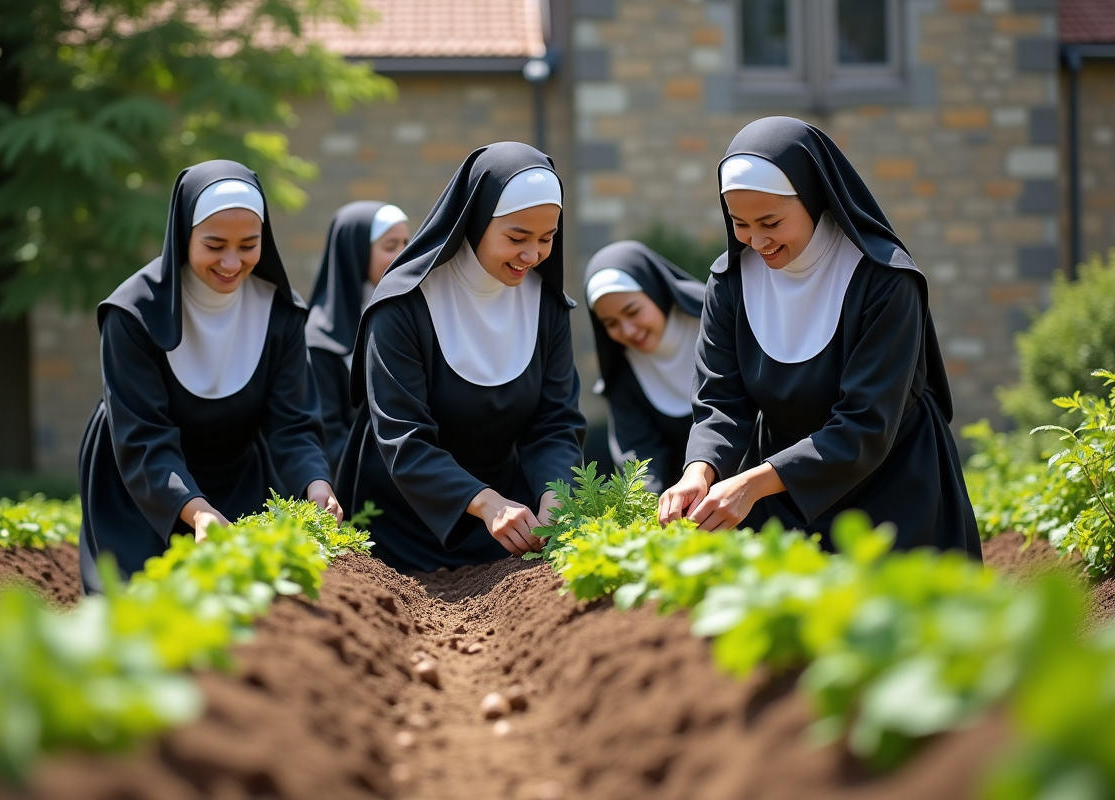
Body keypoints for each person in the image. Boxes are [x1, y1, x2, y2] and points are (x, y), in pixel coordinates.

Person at [659, 117, 981, 556]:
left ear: (814, 198)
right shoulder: (730, 281)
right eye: (739, 223)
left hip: (896, 489)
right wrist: (700, 469)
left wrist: (754, 482)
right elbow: (721, 398)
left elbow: (866, 424)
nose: (756, 241)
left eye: (770, 222)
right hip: (784, 497)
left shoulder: (885, 281)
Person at [77, 160, 342, 594]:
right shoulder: (131, 315)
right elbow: (144, 435)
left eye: (249, 244)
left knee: (249, 604)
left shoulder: (280, 312)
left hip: (237, 472)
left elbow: (292, 422)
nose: (232, 262)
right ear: (185, 234)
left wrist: (315, 482)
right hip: (141, 483)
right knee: (139, 609)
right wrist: (196, 512)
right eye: (215, 245)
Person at [336, 142, 587, 573]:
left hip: (509, 529)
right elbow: (404, 437)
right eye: (516, 237)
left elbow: (554, 422)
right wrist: (484, 503)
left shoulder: (546, 306)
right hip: (399, 531)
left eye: (547, 239)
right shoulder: (401, 308)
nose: (532, 256)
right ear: (474, 221)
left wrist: (554, 496)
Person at [583, 241, 704, 494]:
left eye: (633, 311)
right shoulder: (623, 373)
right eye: (611, 323)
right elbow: (638, 455)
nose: (628, 330)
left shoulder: (717, 324)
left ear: (655, 291)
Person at [305, 201, 410, 476]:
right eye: (390, 246)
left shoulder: (401, 319)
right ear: (357, 252)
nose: (403, 255)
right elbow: (325, 438)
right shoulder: (320, 342)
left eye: (406, 243)